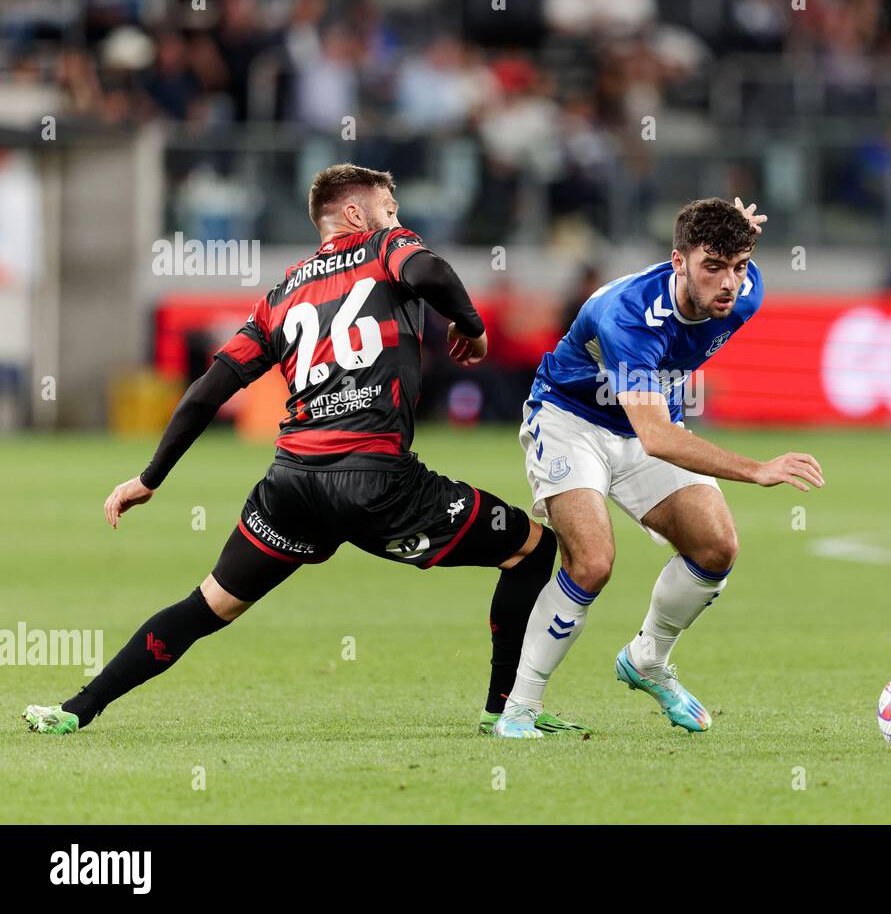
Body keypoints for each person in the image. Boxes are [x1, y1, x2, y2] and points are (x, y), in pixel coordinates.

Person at [23, 163, 586, 736]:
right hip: (377, 484)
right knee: (531, 550)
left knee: (208, 605)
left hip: (291, 485)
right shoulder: (385, 245)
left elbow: (204, 394)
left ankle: (76, 710)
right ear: (354, 214)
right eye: (389, 208)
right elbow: (433, 272)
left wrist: (150, 478)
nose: (398, 218)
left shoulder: (281, 294)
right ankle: (507, 709)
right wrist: (472, 325)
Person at [492, 197, 825, 738]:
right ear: (678, 262)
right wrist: (757, 469)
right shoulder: (630, 315)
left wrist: (735, 237)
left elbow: (652, 428)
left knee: (716, 546)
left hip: (645, 423)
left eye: (738, 267)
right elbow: (658, 437)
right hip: (570, 421)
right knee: (593, 561)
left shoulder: (745, 293)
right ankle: (519, 710)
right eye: (712, 267)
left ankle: (647, 658)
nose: (729, 284)